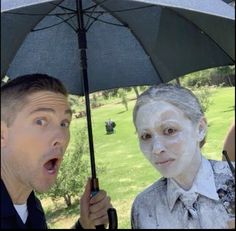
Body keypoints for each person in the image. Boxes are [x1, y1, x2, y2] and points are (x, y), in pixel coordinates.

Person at [1, 74, 113, 229]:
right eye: (40, 121)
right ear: (2, 134)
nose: (61, 137)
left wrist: (85, 225)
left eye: (64, 123)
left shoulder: (31, 206)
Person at [131, 84, 235, 229]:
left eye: (169, 130)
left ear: (200, 129)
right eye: (146, 136)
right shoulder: (143, 208)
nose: (156, 149)